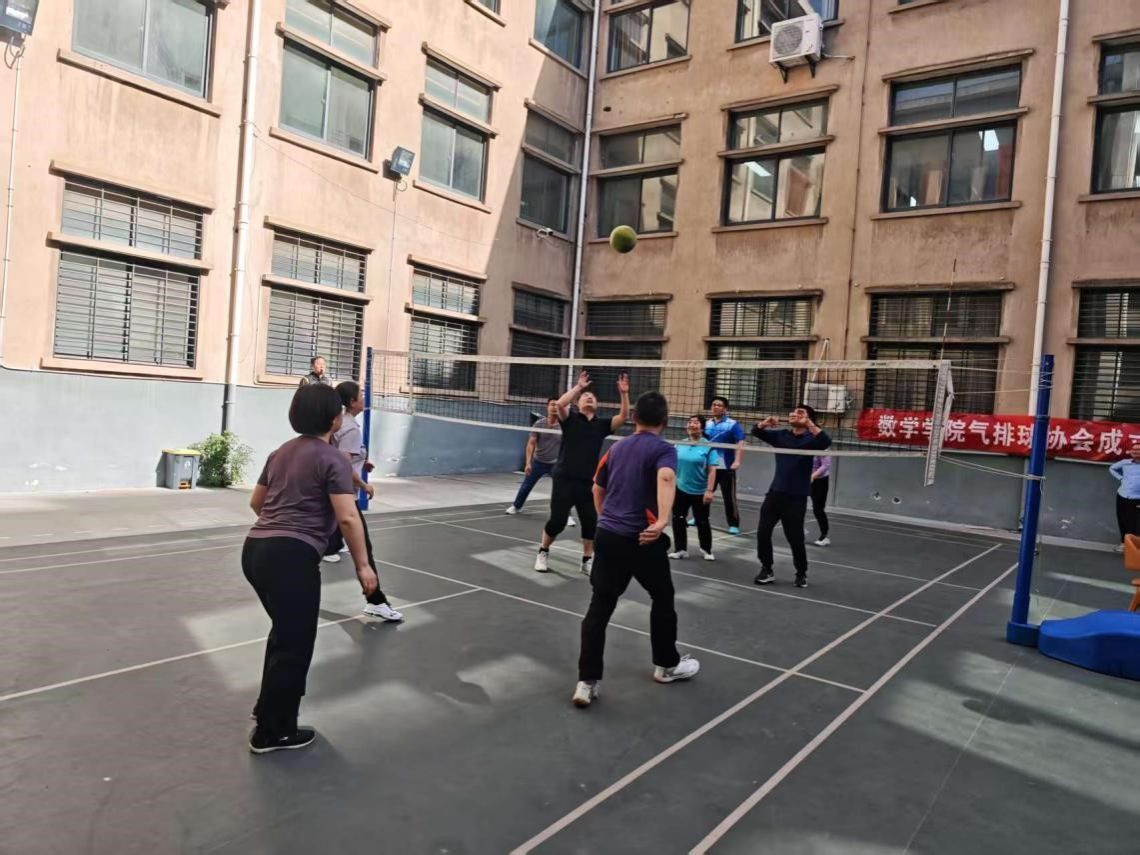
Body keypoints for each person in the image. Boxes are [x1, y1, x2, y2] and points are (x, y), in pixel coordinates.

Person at [244, 384, 378, 754]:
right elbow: (348, 517)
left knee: (285, 634)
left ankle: (268, 709)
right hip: (290, 558)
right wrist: (363, 566)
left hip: (255, 551)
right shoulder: (332, 458)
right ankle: (274, 733)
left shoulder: (280, 452)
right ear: (335, 419)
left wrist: (280, 526)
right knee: (295, 644)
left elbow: (256, 502)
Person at [573, 391, 699, 708]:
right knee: (663, 597)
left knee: (599, 608)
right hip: (643, 539)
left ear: (633, 418)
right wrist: (662, 521)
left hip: (608, 537)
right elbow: (666, 478)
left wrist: (605, 518)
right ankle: (666, 666)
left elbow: (597, 487)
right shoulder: (664, 449)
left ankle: (586, 682)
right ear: (665, 421)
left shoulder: (616, 448)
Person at [535, 370, 629, 576]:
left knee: (590, 523)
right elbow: (560, 404)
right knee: (557, 521)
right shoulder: (570, 419)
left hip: (588, 482)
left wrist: (623, 393)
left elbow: (624, 416)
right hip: (564, 478)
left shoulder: (602, 425)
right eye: (585, 396)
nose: (589, 397)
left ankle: (587, 560)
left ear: (597, 405)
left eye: (592, 397)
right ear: (578, 403)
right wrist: (579, 387)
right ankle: (543, 551)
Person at [326, 380, 403, 622]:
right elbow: (341, 465)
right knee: (363, 547)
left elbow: (339, 457)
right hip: (341, 496)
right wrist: (363, 484)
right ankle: (376, 601)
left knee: (318, 545)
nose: (364, 398)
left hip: (329, 494)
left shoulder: (340, 423)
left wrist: (362, 462)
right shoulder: (350, 429)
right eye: (361, 395)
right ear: (352, 402)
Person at [751, 404, 832, 589]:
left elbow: (825, 441)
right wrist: (764, 423)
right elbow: (756, 431)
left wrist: (809, 424)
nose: (794, 414)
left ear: (808, 419)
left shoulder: (811, 440)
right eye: (793, 412)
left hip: (796, 498)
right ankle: (766, 569)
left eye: (800, 413)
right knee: (763, 533)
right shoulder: (781, 435)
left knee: (795, 539)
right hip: (775, 493)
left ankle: (801, 573)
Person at [506, 398, 574, 525]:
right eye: (552, 405)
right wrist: (528, 463)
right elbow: (531, 444)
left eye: (557, 405)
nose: (554, 407)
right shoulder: (539, 424)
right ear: (547, 407)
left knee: (562, 489)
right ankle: (517, 506)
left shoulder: (564, 425)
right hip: (538, 462)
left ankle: (567, 516)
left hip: (556, 464)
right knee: (526, 486)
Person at [669, 415, 722, 562]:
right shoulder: (679, 444)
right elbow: (673, 466)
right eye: (690, 422)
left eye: (696, 423)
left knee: (702, 521)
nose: (692, 425)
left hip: (700, 491)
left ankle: (706, 549)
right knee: (678, 518)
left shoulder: (709, 446)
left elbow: (712, 470)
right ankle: (680, 549)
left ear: (702, 428)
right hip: (680, 489)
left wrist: (709, 490)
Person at [704, 397, 747, 534]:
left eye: (719, 405)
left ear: (725, 409)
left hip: (726, 467)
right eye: (714, 404)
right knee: (704, 494)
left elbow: (741, 442)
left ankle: (733, 524)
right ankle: (701, 517)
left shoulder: (732, 424)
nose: (716, 407)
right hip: (710, 466)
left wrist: (737, 460)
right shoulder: (706, 424)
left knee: (729, 497)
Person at [1110, 444, 1140, 546]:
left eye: (1138, 450)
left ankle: (1134, 546)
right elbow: (1112, 468)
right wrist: (1121, 478)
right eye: (1133, 449)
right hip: (1122, 495)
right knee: (1122, 520)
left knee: (1135, 523)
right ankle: (1124, 543)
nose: (1135, 451)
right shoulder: (1125, 463)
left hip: (1137, 498)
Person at [810, 454, 832, 547]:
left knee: (818, 509)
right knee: (797, 502)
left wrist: (813, 476)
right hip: (806, 478)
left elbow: (826, 465)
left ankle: (824, 536)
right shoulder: (807, 446)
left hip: (820, 481)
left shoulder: (823, 448)